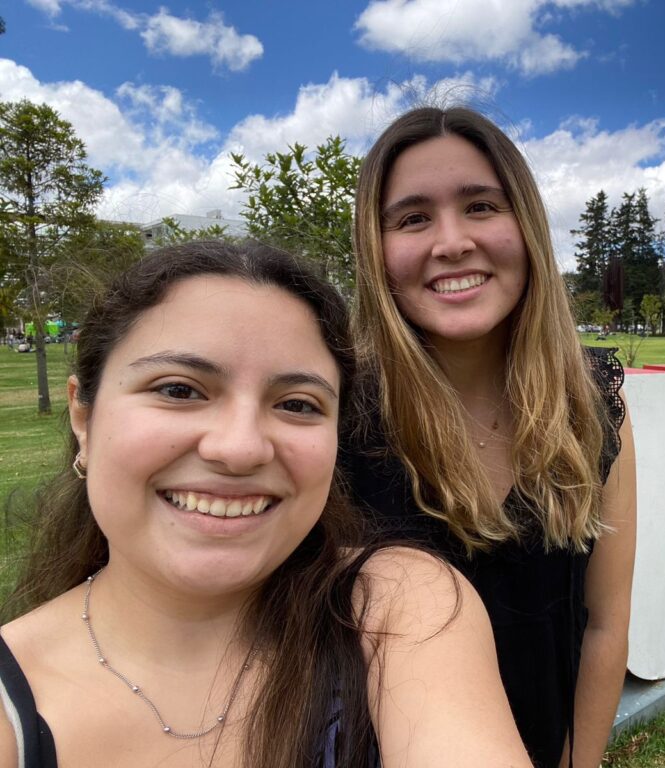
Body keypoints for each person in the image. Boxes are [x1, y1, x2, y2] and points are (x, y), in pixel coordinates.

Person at [0, 241, 532, 768]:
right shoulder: (13, 708)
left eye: (297, 404)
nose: (240, 448)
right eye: (180, 390)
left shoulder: (398, 609)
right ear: (84, 419)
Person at [343, 107, 638, 767]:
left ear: (526, 227)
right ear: (376, 248)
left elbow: (605, 625)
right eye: (413, 218)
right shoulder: (332, 419)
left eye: (481, 206)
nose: (451, 242)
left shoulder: (592, 405)